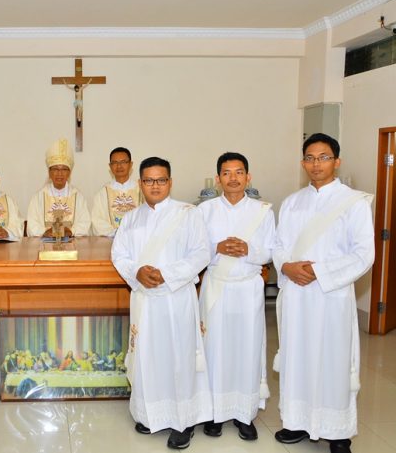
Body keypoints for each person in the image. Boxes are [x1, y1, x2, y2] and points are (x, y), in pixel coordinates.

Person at [272, 134, 374, 453]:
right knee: (297, 356)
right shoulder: (291, 202)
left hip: (332, 296)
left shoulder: (354, 202)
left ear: (337, 161)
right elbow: (278, 246)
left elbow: (363, 254)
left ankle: (338, 431)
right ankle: (297, 422)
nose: (317, 164)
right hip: (297, 297)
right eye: (310, 158)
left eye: (324, 157)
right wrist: (286, 268)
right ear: (303, 163)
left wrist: (318, 271)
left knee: (333, 360)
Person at [111, 156, 212, 450]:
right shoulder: (130, 218)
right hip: (144, 300)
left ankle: (184, 421)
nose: (155, 185)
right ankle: (150, 413)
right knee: (147, 356)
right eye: (149, 180)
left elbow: (201, 253)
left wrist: (166, 275)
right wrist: (137, 273)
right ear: (140, 183)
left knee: (178, 357)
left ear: (170, 181)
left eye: (161, 180)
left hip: (175, 297)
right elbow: (120, 255)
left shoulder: (188, 213)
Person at [197, 152, 275, 441]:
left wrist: (248, 250)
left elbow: (270, 250)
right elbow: (194, 250)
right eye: (227, 173)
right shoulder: (204, 211)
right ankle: (215, 412)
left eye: (239, 172)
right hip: (217, 285)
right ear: (218, 179)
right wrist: (216, 247)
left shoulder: (263, 211)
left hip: (247, 287)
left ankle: (245, 413)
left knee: (247, 348)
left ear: (248, 177)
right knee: (214, 347)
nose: (233, 178)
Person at [27, 138, 91, 237]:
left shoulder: (78, 196)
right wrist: (46, 232)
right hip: (46, 247)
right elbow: (32, 226)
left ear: (69, 173)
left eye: (64, 169)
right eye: (55, 169)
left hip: (72, 246)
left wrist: (71, 231)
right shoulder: (38, 197)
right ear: (49, 172)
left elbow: (85, 223)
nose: (59, 173)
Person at [91, 147, 141, 236]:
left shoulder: (141, 190)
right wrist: (116, 232)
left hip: (138, 240)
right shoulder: (103, 193)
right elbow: (97, 221)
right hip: (111, 242)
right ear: (110, 166)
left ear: (131, 164)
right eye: (115, 163)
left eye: (123, 162)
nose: (119, 166)